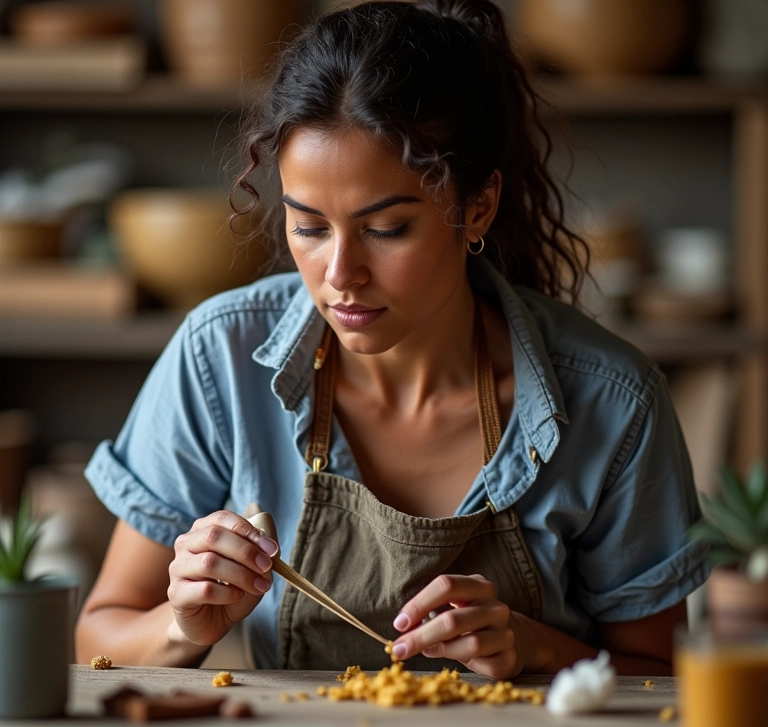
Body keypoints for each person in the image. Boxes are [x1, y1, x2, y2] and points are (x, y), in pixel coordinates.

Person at [76, 0, 709, 679]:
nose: (340, 275)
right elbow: (97, 641)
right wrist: (181, 626)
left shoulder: (611, 402)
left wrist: (537, 648)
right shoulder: (219, 359)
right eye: (310, 228)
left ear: (477, 208)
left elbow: (664, 677)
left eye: (386, 229)